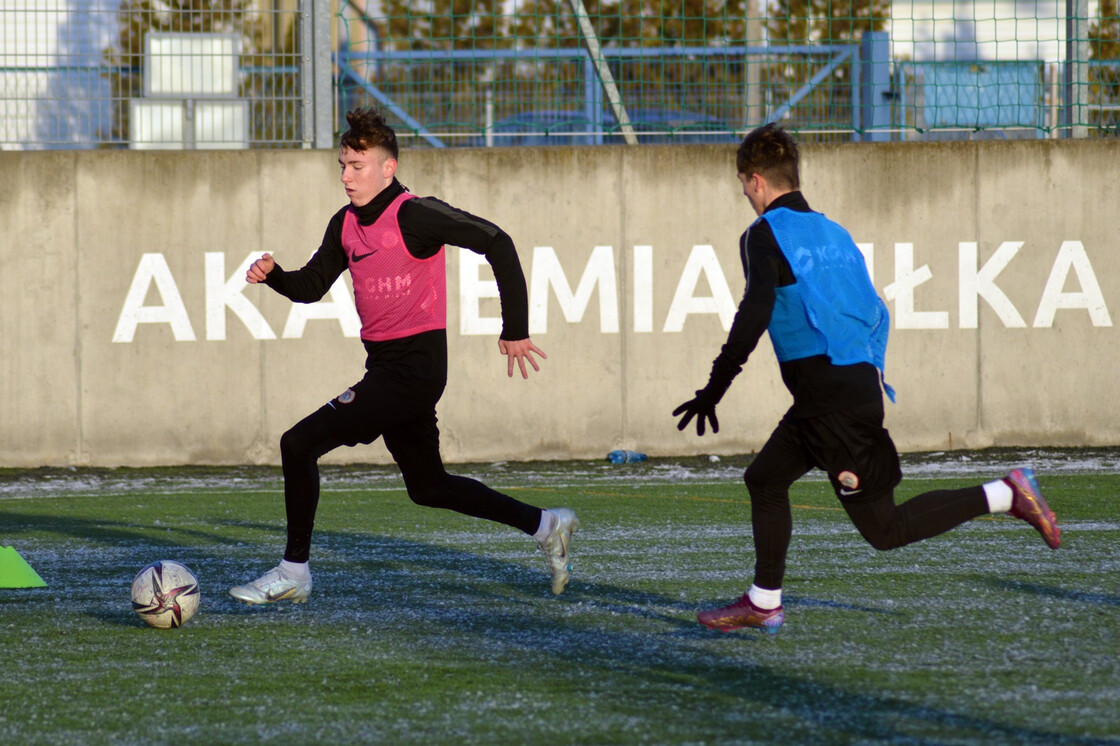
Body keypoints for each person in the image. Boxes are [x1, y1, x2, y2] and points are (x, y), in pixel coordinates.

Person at [673, 123, 1060, 635]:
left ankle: (1007, 494)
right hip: (837, 392)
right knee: (764, 479)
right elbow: (876, 309)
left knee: (885, 529)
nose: (744, 193)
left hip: (830, 402)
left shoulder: (764, 234)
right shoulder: (835, 233)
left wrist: (715, 386)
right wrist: (865, 370)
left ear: (757, 179)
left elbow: (755, 310)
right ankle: (764, 601)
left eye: (743, 182)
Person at [230, 108, 578, 605]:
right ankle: (546, 526)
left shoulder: (414, 214)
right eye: (343, 165)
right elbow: (310, 287)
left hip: (415, 370)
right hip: (387, 368)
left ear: (387, 168)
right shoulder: (344, 224)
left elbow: (497, 242)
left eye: (358, 166)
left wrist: (515, 328)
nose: (347, 177)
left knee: (297, 444)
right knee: (428, 486)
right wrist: (276, 275)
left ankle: (294, 571)